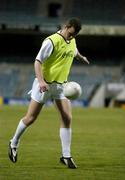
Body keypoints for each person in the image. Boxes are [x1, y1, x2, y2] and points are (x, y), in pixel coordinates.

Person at [8, 17, 90, 169]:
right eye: (71, 33)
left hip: (61, 86)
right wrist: (41, 82)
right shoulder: (51, 41)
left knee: (67, 117)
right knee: (31, 118)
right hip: (44, 84)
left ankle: (66, 156)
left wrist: (80, 57)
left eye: (75, 35)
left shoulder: (72, 40)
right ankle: (14, 142)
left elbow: (73, 49)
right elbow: (37, 61)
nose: (72, 37)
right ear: (67, 26)